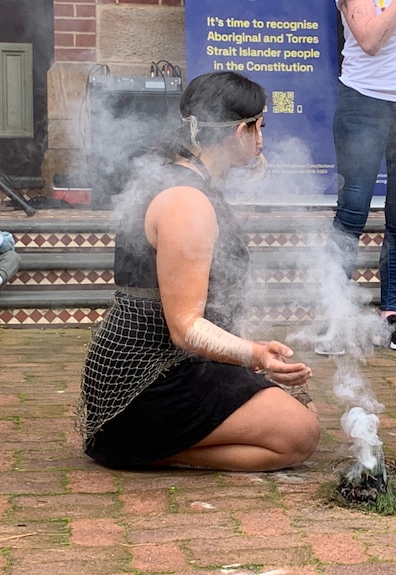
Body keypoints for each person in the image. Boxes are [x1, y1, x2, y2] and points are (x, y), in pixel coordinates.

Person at [78, 71, 320, 471]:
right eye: (259, 127)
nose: (262, 140)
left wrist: (249, 351)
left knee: (298, 408)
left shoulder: (186, 183)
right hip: (146, 381)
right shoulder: (185, 200)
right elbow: (185, 327)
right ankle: (136, 447)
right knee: (299, 434)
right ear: (240, 130)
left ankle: (140, 444)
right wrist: (255, 355)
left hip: (174, 366)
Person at [323, 0, 396, 352]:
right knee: (352, 211)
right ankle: (335, 316)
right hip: (363, 104)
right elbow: (370, 41)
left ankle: (390, 317)